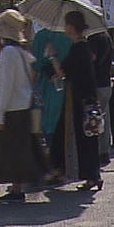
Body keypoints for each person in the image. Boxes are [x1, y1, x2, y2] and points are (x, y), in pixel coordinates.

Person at [0, 10, 38, 203]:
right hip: (23, 106)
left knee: (10, 150)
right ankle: (17, 187)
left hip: (11, 109)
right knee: (19, 149)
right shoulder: (22, 52)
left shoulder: (8, 53)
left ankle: (17, 189)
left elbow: (6, 87)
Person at [50, 11, 103, 190]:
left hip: (79, 99)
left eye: (66, 25)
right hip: (88, 97)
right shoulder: (84, 48)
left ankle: (89, 175)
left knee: (84, 137)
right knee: (89, 136)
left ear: (71, 27)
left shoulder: (78, 49)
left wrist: (52, 56)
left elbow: (62, 72)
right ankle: (93, 175)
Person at [31, 26, 72, 159]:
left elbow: (34, 68)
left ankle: (52, 160)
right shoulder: (71, 37)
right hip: (68, 87)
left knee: (47, 125)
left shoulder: (41, 37)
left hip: (46, 87)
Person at [88, 29, 114, 167]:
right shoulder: (107, 37)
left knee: (94, 119)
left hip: (96, 83)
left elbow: (91, 59)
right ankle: (105, 151)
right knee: (104, 118)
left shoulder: (94, 38)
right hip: (106, 82)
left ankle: (98, 151)